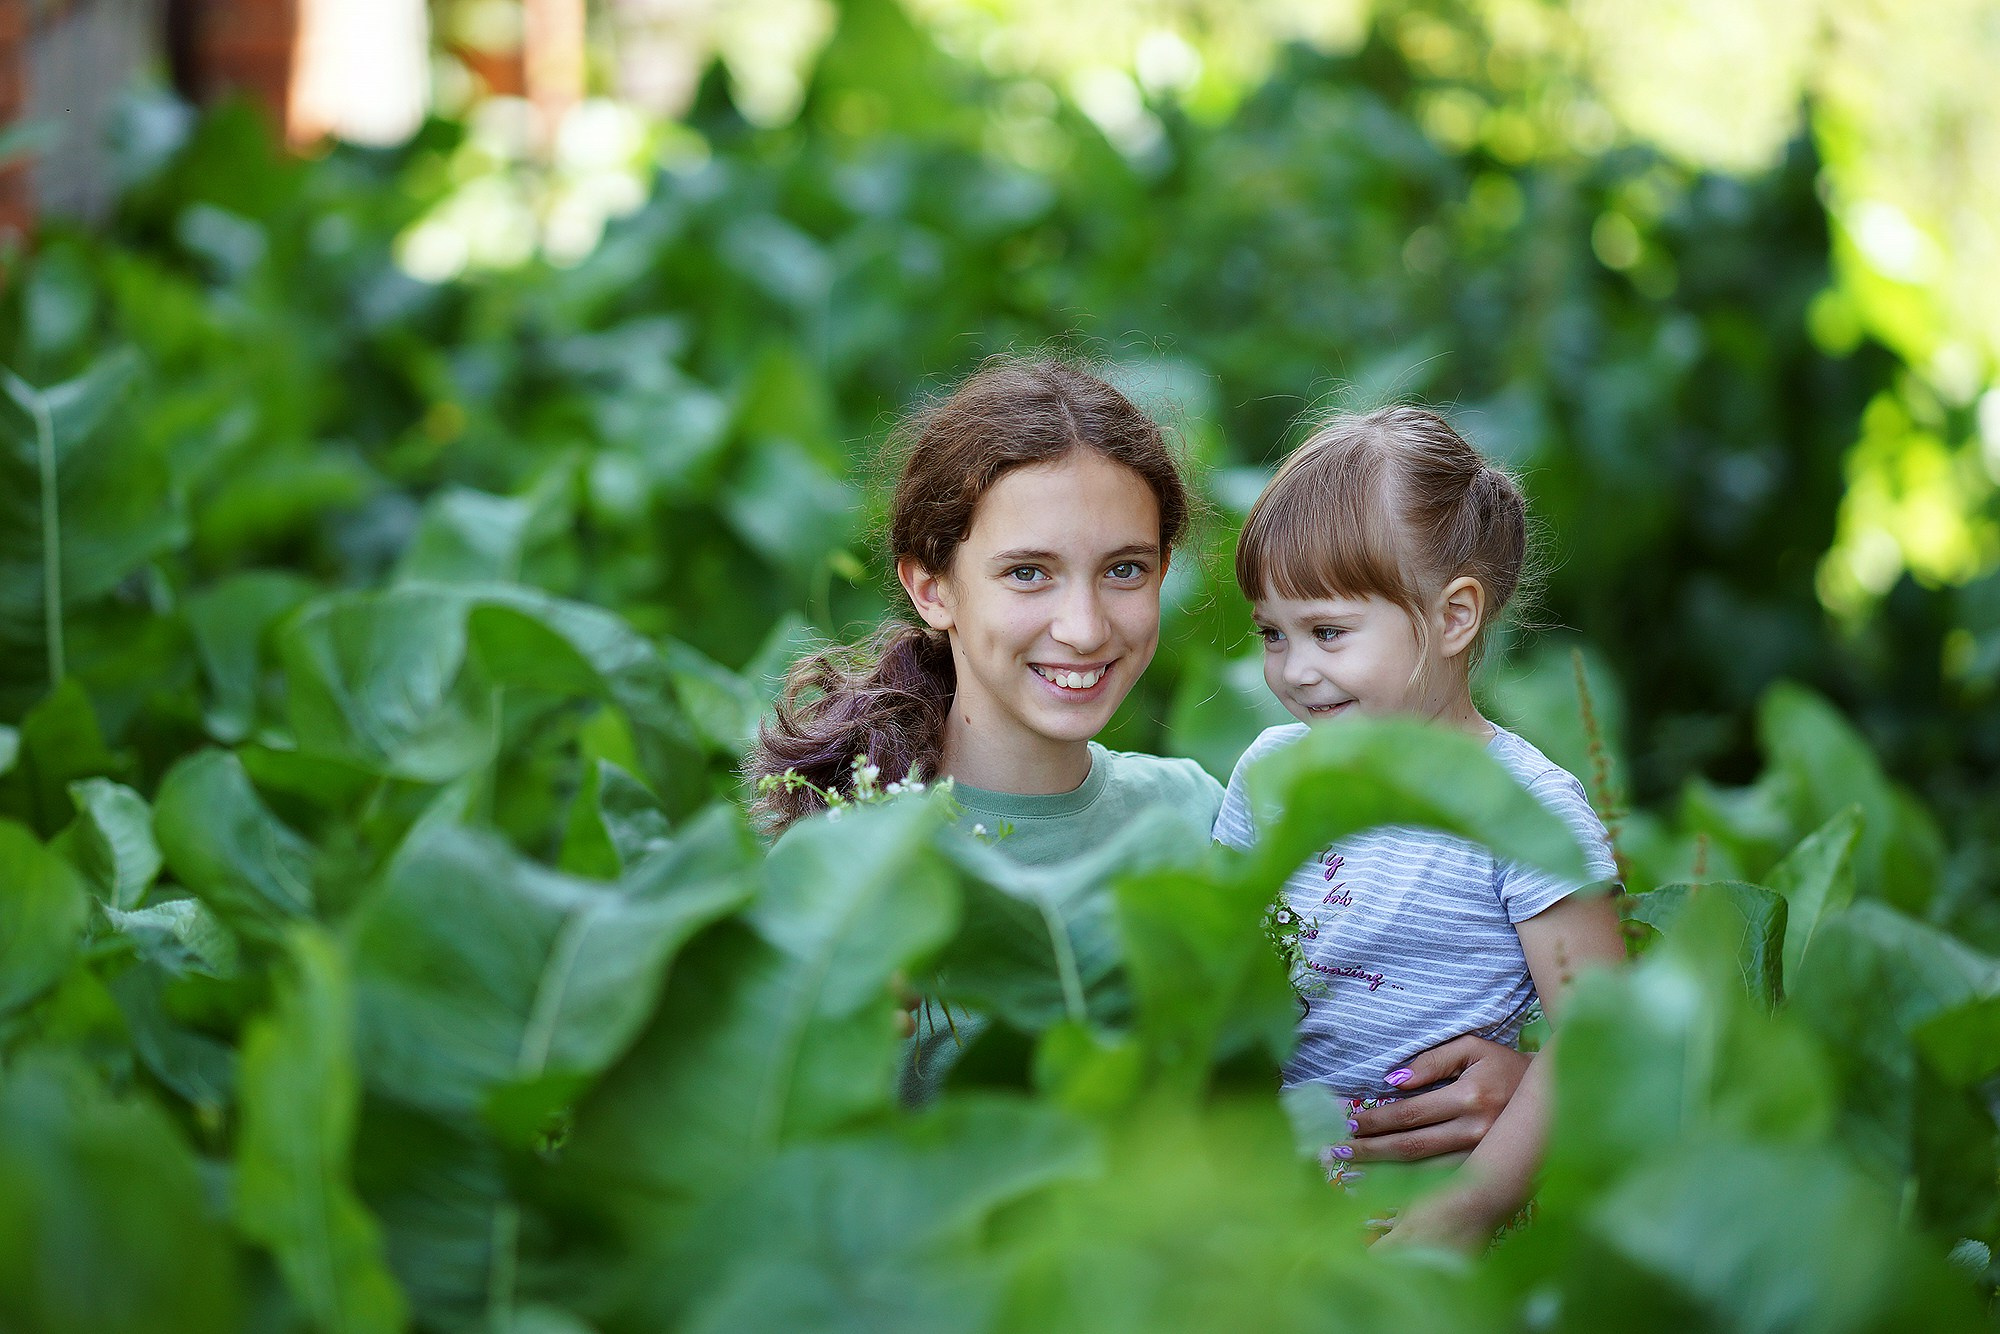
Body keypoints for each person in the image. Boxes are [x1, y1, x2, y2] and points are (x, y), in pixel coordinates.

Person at [746, 358, 1534, 1158]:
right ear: (931, 588)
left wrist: (1523, 1083)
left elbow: (1342, 1035)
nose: (1085, 628)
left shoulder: (1203, 819)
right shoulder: (848, 861)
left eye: (1124, 570)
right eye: (1029, 574)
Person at [1213, 405, 1626, 1250]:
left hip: (1438, 1219)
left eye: (1328, 632)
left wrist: (1461, 1215)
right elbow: (1222, 983)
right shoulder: (1268, 772)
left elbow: (1600, 1035)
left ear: (1453, 617)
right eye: (1272, 634)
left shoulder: (1524, 808)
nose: (1295, 672)